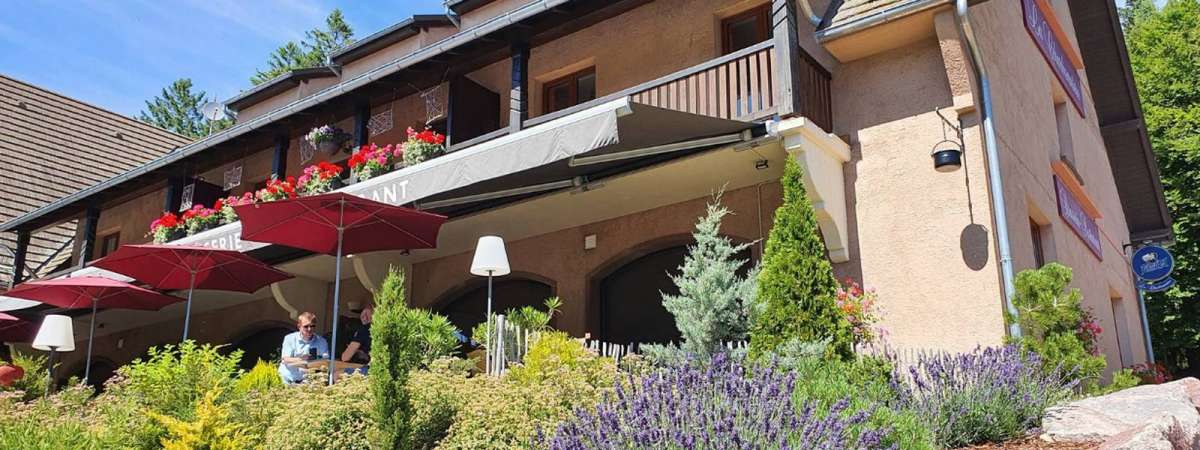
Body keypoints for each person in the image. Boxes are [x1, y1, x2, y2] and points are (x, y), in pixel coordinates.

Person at [278, 312, 330, 384]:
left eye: (312, 326)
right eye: (306, 326)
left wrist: (317, 358)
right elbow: (285, 359)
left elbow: (325, 361)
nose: (309, 329)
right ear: (299, 326)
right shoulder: (289, 338)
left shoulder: (321, 341)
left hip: (310, 381)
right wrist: (302, 359)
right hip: (288, 379)